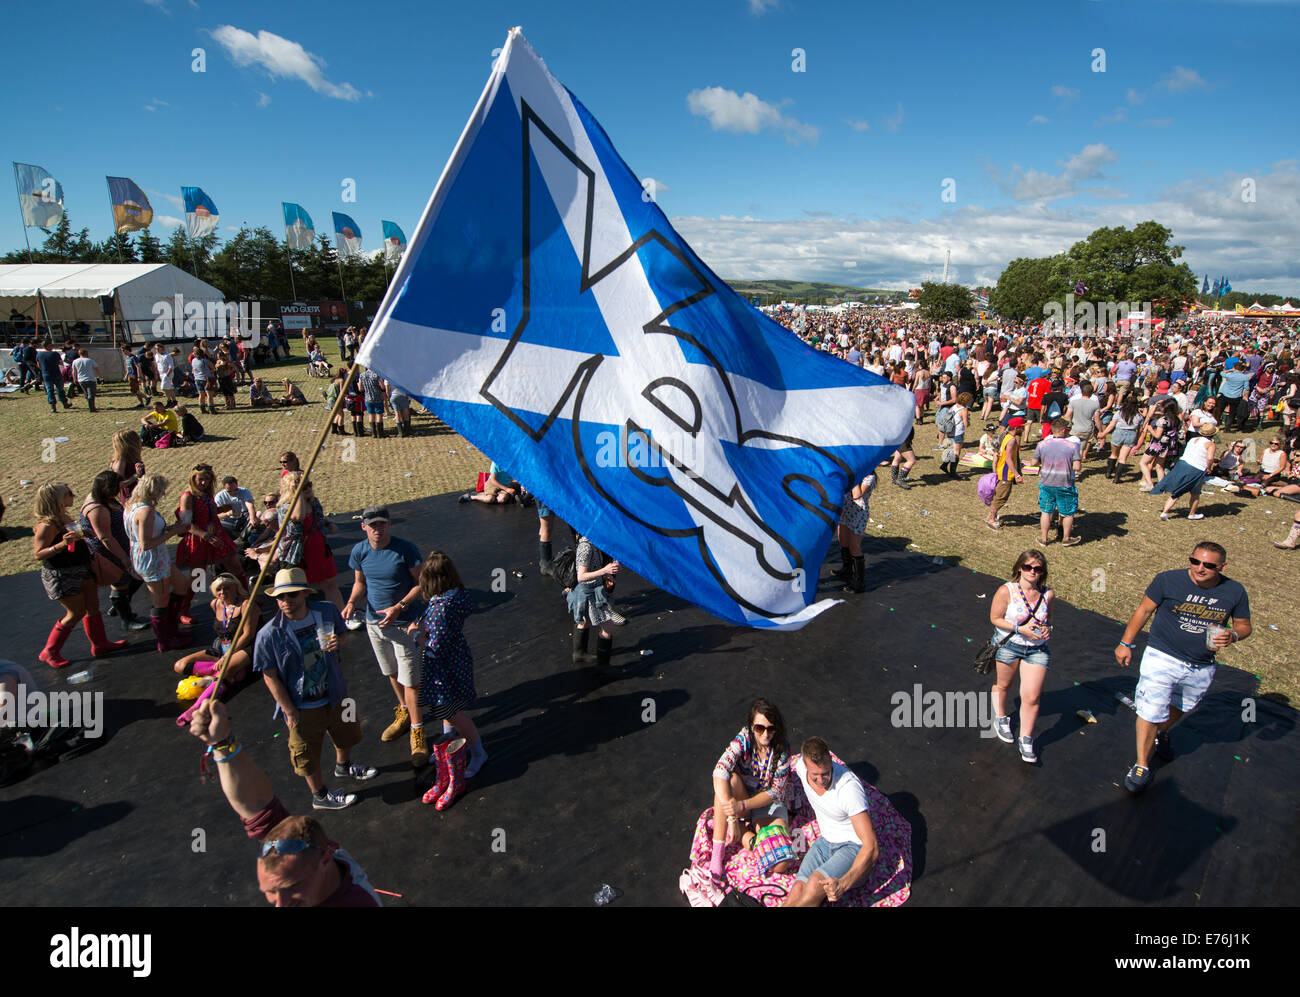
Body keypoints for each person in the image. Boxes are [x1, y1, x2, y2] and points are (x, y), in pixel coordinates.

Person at [186, 698, 380, 905]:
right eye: (270, 891)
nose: (280, 903)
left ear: (324, 858)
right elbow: (257, 804)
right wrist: (221, 742)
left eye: (291, 887)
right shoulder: (311, 863)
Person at [1114, 541, 1251, 794]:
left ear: (1222, 567)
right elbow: (1144, 610)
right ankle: (1142, 764)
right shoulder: (1168, 580)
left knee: (1181, 706)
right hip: (1162, 655)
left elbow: (1244, 626)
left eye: (1209, 565)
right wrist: (1126, 643)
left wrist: (1232, 635)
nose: (1200, 568)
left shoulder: (1235, 591)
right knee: (1150, 710)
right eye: (1195, 561)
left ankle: (1159, 733)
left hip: (1201, 665)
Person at [252, 567, 378, 811]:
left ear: (304, 594)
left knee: (347, 732)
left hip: (335, 693)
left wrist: (337, 643)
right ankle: (319, 795)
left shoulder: (326, 612)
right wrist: (289, 710)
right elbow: (269, 676)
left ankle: (344, 766)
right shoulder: (268, 635)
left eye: (292, 595)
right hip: (302, 705)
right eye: (280, 597)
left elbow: (341, 635)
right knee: (306, 754)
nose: (286, 601)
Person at [343, 506, 427, 767]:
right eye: (372, 525)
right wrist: (351, 601)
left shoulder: (406, 549)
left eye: (381, 524)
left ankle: (417, 729)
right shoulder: (359, 551)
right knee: (391, 672)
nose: (377, 529)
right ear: (364, 527)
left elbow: (422, 583)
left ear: (389, 524)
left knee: (411, 680)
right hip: (374, 623)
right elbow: (360, 583)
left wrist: (399, 607)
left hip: (404, 624)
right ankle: (403, 711)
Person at [406, 550, 486, 807]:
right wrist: (419, 622)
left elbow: (434, 647)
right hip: (455, 661)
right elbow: (428, 614)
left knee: (450, 709)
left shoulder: (442, 608)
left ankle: (478, 752)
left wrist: (415, 636)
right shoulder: (453, 597)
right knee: (446, 706)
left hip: (443, 666)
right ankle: (449, 736)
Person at [33, 482, 126, 668]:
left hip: (82, 566)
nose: (73, 495)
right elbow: (38, 554)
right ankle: (49, 651)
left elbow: (72, 539)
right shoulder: (47, 525)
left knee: (93, 606)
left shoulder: (63, 517)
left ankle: (100, 644)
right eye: (68, 493)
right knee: (75, 612)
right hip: (63, 574)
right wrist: (60, 545)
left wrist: (83, 534)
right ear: (57, 499)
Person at [782, 737, 879, 907]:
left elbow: (871, 847)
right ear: (805, 766)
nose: (821, 780)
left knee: (813, 886)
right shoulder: (798, 767)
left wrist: (843, 884)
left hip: (852, 847)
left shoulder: (848, 789)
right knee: (797, 888)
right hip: (825, 842)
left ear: (831, 762)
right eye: (815, 776)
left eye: (826, 773)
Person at [707, 699, 794, 884]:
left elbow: (775, 793)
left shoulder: (783, 751)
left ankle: (740, 830)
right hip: (742, 795)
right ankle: (717, 853)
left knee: (780, 864)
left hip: (766, 804)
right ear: (751, 726)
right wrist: (732, 816)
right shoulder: (744, 738)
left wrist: (741, 806)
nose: (765, 734)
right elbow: (719, 770)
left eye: (771, 728)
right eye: (759, 728)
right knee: (729, 779)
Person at [988, 550, 1053, 763]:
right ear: (1019, 568)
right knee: (1003, 685)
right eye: (1028, 567)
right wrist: (1019, 629)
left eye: (1038, 569)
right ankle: (1001, 717)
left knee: (1032, 696)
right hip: (1010, 645)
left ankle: (1026, 738)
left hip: (1037, 650)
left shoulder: (1048, 594)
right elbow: (995, 618)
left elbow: (1048, 619)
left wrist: (1047, 629)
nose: (1032, 572)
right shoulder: (1006, 591)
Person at [125, 473, 196, 652]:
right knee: (161, 599)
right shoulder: (145, 511)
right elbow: (146, 544)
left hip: (156, 555)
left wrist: (171, 528)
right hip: (152, 558)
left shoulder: (133, 506)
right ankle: (164, 640)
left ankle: (171, 630)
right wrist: (173, 533)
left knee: (182, 585)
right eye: (161, 491)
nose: (163, 494)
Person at [175, 463, 247, 624]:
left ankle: (246, 599)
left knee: (236, 567)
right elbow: (186, 523)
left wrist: (222, 509)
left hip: (218, 536)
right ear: (193, 478)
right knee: (198, 579)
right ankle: (183, 610)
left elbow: (209, 514)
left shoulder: (206, 494)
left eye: (207, 480)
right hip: (200, 540)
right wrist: (204, 535)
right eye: (200, 480)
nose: (203, 483)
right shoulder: (187, 496)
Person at [79, 470, 149, 634]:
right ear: (107, 489)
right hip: (109, 551)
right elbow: (106, 538)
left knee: (135, 576)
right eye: (116, 488)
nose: (119, 491)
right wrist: (123, 558)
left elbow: (123, 483)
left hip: (121, 544)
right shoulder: (97, 508)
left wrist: (136, 476)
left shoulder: (104, 498)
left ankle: (118, 605)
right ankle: (127, 619)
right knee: (121, 580)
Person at [275, 472, 343, 610]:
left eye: (308, 484)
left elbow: (319, 519)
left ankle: (342, 617)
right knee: (299, 590)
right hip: (298, 554)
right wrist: (298, 494)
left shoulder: (313, 502)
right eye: (303, 486)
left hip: (319, 549)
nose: (307, 488)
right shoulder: (285, 507)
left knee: (330, 584)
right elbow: (297, 518)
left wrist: (329, 525)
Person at [567, 532, 624, 669]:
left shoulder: (594, 543)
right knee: (608, 627)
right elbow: (581, 576)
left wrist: (609, 572)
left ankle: (579, 653)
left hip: (589, 591)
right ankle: (603, 667)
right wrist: (604, 570)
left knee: (584, 621)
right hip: (589, 593)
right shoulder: (586, 546)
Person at [1152, 423, 1217, 520]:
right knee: (1195, 493)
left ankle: (1165, 512)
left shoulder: (1193, 440)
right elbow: (1210, 458)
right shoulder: (1210, 444)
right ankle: (1192, 514)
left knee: (1177, 491)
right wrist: (1209, 467)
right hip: (1196, 469)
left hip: (1182, 464)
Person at [1034, 418, 1082, 547]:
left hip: (1046, 482)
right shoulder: (1072, 446)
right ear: (1063, 430)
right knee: (1067, 512)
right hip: (1064, 483)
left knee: (1046, 511)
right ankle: (1066, 538)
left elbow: (1034, 462)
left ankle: (1044, 538)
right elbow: (1077, 467)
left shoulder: (1042, 444)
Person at [835, 470, 876, 593]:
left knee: (854, 546)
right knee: (843, 541)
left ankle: (859, 582)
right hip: (846, 510)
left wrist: (855, 477)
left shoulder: (870, 476)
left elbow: (857, 494)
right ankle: (847, 570)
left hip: (858, 514)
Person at [37, 344, 71, 413]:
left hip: (46, 374)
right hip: (56, 373)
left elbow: (39, 365)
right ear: (48, 346)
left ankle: (53, 407)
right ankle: (64, 403)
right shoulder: (54, 354)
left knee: (50, 390)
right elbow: (61, 363)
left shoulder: (39, 354)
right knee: (60, 388)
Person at [357, 365, 389, 437]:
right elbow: (382, 386)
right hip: (377, 397)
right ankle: (380, 433)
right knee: (379, 414)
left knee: (371, 414)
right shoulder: (376, 375)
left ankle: (373, 432)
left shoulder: (362, 375)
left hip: (368, 398)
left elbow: (360, 388)